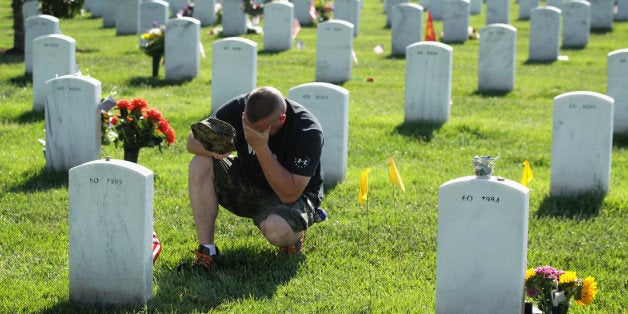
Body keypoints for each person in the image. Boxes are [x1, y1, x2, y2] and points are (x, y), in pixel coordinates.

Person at [186, 86, 325, 270]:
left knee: (278, 230)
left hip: (292, 195)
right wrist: (216, 147)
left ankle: (294, 235)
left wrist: (260, 146)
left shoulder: (307, 131)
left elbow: (289, 195)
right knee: (199, 163)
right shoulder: (238, 107)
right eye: (247, 125)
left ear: (281, 119)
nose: (250, 132)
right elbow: (192, 141)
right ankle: (207, 250)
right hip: (248, 181)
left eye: (259, 130)